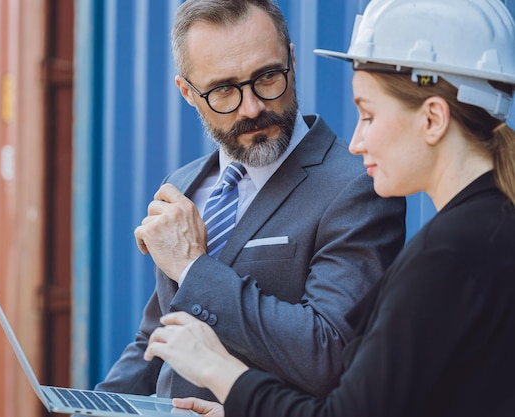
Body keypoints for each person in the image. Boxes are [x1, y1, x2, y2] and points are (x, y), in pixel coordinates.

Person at [143, 0, 515, 415]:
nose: (356, 142)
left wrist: (219, 368)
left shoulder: (444, 253)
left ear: (433, 119)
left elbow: (345, 398)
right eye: (224, 89)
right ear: (187, 92)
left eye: (368, 115)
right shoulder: (487, 230)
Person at [95, 0, 406, 402]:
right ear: (187, 92)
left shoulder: (357, 185)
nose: (253, 107)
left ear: (291, 61)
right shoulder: (183, 184)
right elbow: (158, 335)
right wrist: (98, 404)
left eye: (268, 77)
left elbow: (330, 353)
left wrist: (193, 268)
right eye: (224, 89)